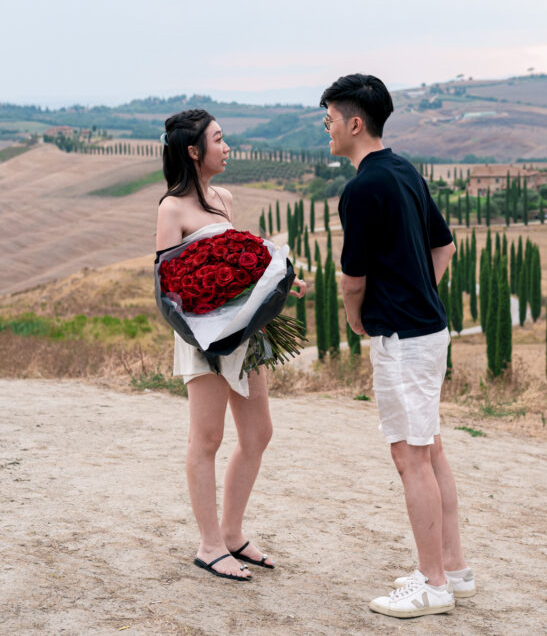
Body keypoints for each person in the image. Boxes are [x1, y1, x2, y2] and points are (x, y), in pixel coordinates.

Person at [321, 75, 474, 618]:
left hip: (402, 339)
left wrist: (358, 319)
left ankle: (433, 584)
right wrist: (419, 291)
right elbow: (445, 244)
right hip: (429, 330)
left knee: (410, 457)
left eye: (331, 119)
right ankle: (453, 567)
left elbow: (353, 278)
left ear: (354, 123)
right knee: (430, 448)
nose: (327, 127)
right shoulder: (405, 170)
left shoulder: (361, 189)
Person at [155, 109, 306, 582]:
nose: (227, 147)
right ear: (194, 151)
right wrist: (207, 326)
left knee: (258, 433)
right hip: (201, 339)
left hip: (245, 335)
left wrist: (280, 281)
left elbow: (243, 263)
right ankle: (209, 545)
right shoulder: (171, 209)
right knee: (207, 439)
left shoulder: (224, 198)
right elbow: (168, 284)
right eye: (219, 140)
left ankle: (233, 533)